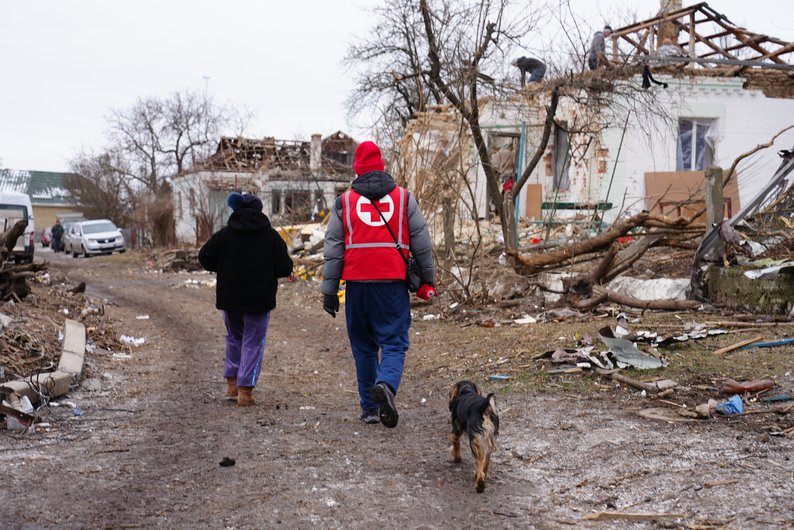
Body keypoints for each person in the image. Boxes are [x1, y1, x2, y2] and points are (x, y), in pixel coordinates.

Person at [321, 141, 435, 428]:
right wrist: (428, 279)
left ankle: (370, 409)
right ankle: (385, 385)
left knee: (363, 347)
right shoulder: (404, 198)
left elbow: (334, 249)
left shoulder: (344, 202)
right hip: (391, 286)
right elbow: (422, 243)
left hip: (357, 286)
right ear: (382, 166)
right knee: (394, 343)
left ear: (357, 170)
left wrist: (330, 291)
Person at [198, 192, 293, 407]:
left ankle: (232, 385)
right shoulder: (270, 236)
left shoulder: (225, 235)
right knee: (253, 341)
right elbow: (285, 267)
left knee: (234, 338)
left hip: (230, 298)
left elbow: (204, 257)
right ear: (259, 211)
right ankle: (245, 391)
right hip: (259, 300)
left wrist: (223, 266)